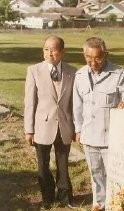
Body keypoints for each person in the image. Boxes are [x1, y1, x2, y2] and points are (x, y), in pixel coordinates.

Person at [73, 37, 124, 211]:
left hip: (111, 137)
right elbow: (77, 106)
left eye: (98, 58)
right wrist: (78, 130)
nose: (93, 62)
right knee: (95, 173)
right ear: (83, 55)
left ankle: (115, 205)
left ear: (106, 55)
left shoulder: (118, 73)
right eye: (89, 57)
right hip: (89, 135)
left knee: (115, 174)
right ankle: (99, 203)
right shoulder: (79, 75)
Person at [24, 35, 77, 210]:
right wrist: (29, 130)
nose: (50, 53)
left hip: (64, 126)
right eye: (46, 49)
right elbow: (30, 102)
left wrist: (76, 128)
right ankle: (47, 197)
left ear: (62, 52)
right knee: (42, 166)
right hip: (42, 126)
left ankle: (65, 197)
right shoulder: (34, 70)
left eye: (54, 50)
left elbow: (75, 104)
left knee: (63, 165)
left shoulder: (72, 72)